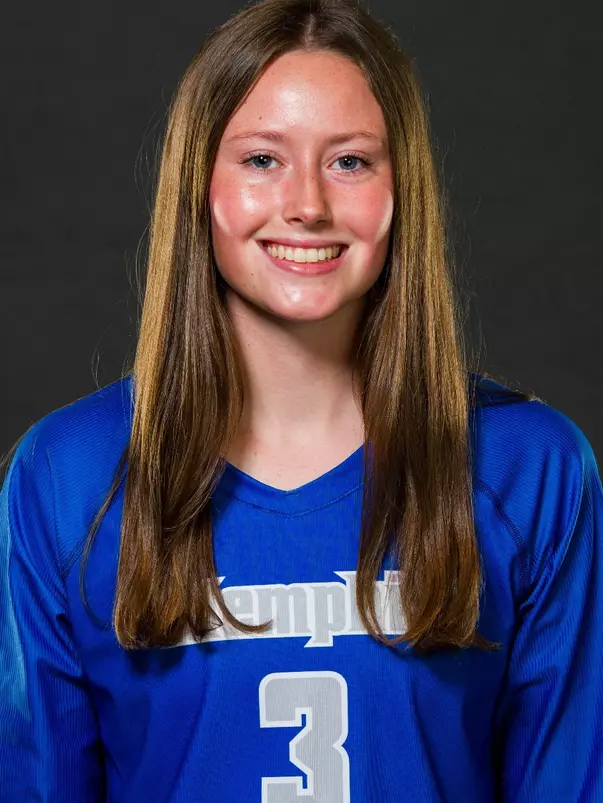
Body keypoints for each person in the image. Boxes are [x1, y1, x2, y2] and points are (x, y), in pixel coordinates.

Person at [1, 0, 602, 800]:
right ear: (198, 188)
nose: (307, 204)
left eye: (350, 161)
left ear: (401, 190)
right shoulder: (68, 474)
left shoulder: (532, 468)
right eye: (261, 160)